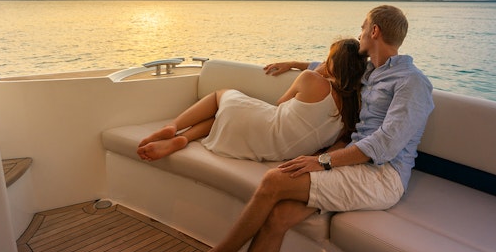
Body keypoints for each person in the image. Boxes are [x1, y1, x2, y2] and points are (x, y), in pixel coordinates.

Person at [157, 5, 434, 252]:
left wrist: (324, 161)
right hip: (355, 167)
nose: (359, 33)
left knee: (275, 179)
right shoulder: (372, 73)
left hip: (381, 177)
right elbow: (331, 67)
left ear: (374, 32)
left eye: (362, 28)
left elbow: (385, 146)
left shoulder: (412, 83)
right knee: (277, 218)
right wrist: (295, 64)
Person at [136, 38, 366, 162]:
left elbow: (280, 104)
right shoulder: (354, 107)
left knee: (221, 95)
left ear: (332, 63)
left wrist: (301, 67)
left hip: (266, 130)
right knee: (224, 115)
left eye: (328, 58)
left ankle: (172, 127)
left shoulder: (310, 79)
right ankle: (182, 139)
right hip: (281, 151)